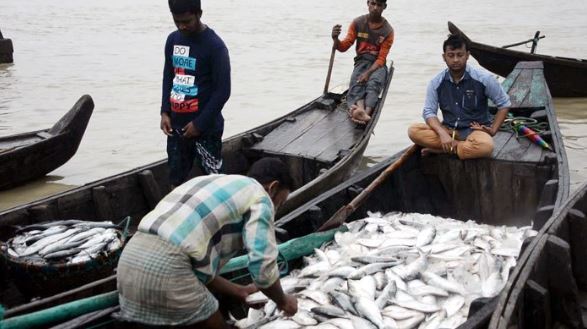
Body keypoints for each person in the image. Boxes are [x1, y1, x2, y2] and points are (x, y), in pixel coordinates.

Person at [116, 158, 298, 328]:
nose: (276, 209)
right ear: (272, 188)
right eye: (279, 204)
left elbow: (193, 261)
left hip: (129, 262)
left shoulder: (212, 180)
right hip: (169, 269)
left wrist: (238, 290)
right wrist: (283, 301)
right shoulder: (260, 196)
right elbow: (262, 267)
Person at [160, 0, 231, 188]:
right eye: (177, 21)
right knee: (176, 180)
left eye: (187, 21)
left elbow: (223, 91)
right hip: (176, 127)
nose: (182, 26)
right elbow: (169, 76)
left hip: (206, 129)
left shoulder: (215, 46)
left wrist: (199, 124)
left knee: (214, 182)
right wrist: (165, 111)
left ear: (199, 13)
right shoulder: (172, 40)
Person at [407, 34, 511, 159]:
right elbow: (429, 112)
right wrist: (442, 133)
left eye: (460, 55)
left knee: (485, 147)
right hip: (448, 130)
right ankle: (456, 147)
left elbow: (504, 104)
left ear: (467, 55)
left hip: (475, 131)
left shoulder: (484, 78)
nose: (455, 60)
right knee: (414, 131)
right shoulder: (436, 82)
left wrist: (493, 129)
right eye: (451, 55)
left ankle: (445, 149)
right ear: (444, 57)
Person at [331, 0, 394, 124]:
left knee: (374, 84)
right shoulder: (357, 23)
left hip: (377, 65)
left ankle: (366, 113)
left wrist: (368, 73)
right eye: (373, 3)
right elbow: (343, 47)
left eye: (379, 5)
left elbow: (381, 59)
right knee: (357, 82)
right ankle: (360, 110)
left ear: (384, 7)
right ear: (368, 3)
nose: (375, 8)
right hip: (361, 61)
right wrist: (335, 39)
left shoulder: (388, 30)